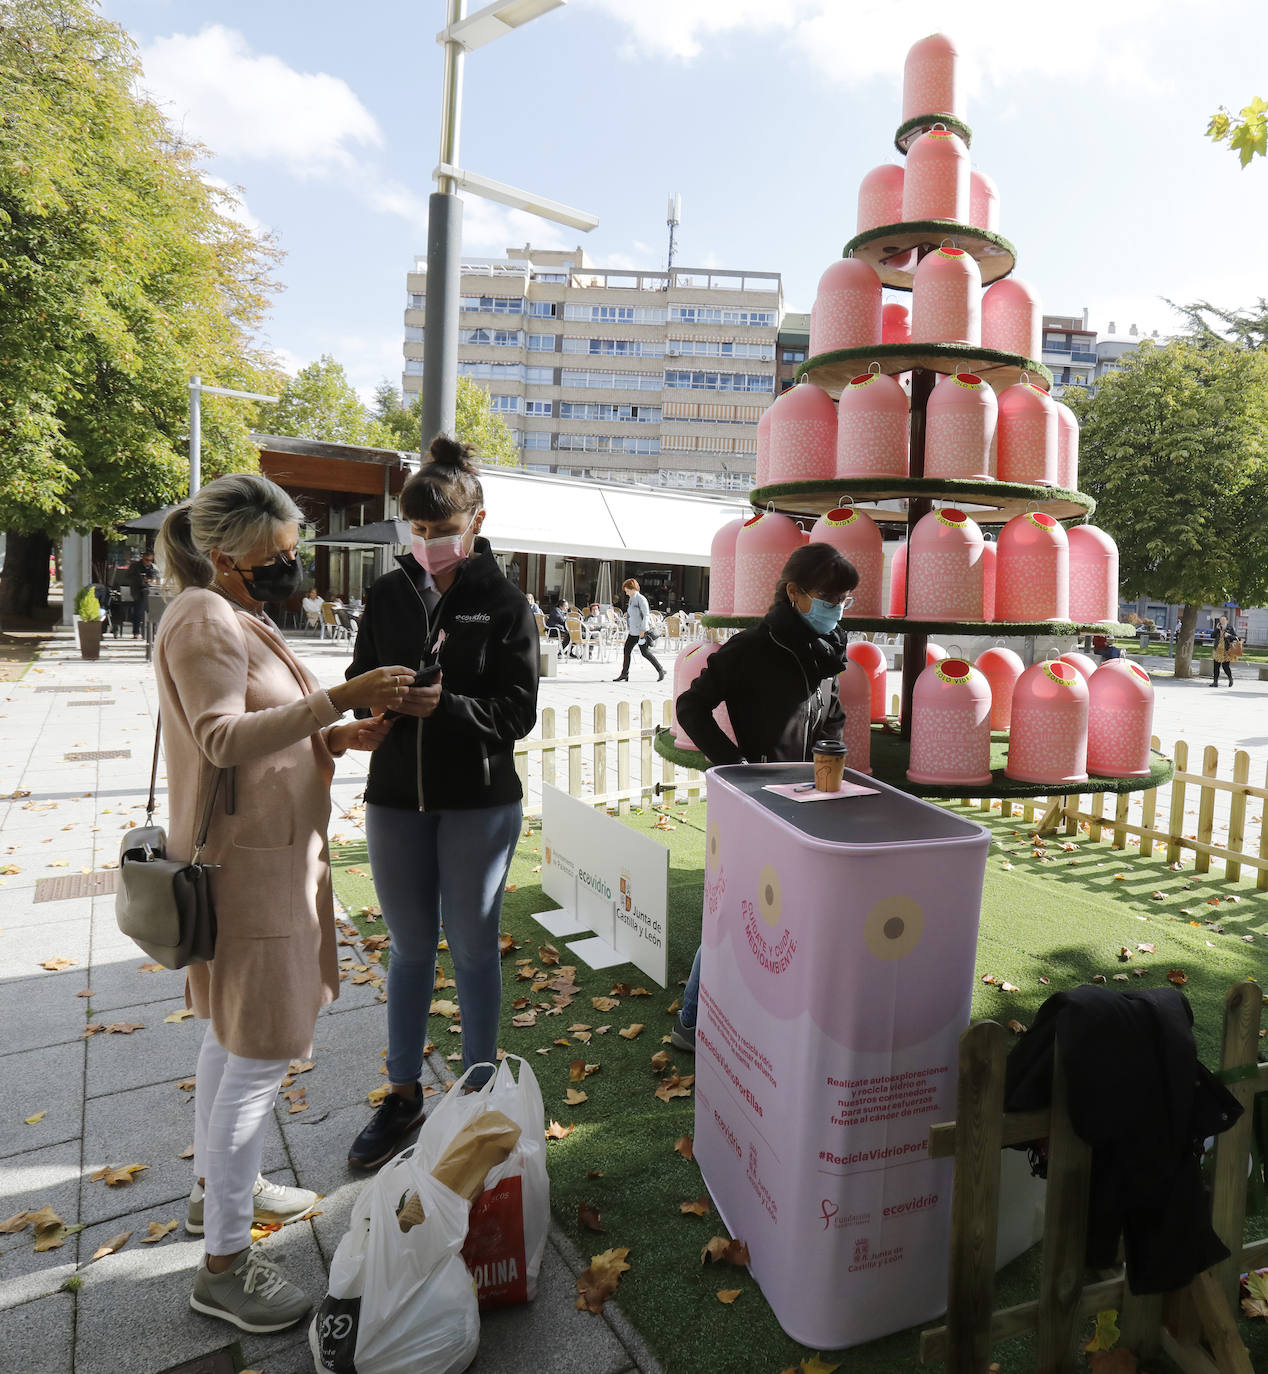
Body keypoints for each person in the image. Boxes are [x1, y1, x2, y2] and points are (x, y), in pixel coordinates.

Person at [153, 474, 414, 1333]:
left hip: (263, 860)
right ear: (227, 558)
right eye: (278, 556)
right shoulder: (203, 616)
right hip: (247, 873)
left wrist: (334, 736)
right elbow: (221, 736)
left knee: (234, 1042)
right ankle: (224, 1264)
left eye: (293, 551)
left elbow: (260, 733)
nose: (292, 566)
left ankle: (217, 1194)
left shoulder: (226, 611)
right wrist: (335, 698)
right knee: (258, 1051)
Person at [345, 435, 539, 1170]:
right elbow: (361, 673)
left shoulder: (505, 602)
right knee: (409, 950)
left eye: (441, 530)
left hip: (478, 805)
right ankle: (402, 1097)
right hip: (395, 799)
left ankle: (481, 1090)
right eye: (417, 531)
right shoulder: (388, 593)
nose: (428, 544)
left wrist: (446, 706)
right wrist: (367, 712)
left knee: (475, 947)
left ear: (476, 522)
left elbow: (516, 714)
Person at [670, 542, 858, 1051]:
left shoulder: (828, 647)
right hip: (756, 802)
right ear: (794, 593)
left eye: (845, 598)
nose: (837, 607)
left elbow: (832, 713)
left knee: (788, 912)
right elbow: (691, 708)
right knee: (735, 907)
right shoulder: (750, 647)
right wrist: (736, 768)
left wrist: (832, 760)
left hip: (812, 801)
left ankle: (770, 1013)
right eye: (828, 597)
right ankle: (690, 1020)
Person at [614, 577, 665, 682]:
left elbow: (646, 615)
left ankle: (660, 670)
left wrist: (643, 630)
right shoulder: (632, 599)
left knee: (645, 652)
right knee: (627, 650)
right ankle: (624, 674)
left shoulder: (641, 599)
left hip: (641, 631)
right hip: (633, 631)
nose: (626, 593)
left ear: (632, 588)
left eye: (627, 590)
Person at [1211, 616, 1240, 686]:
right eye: (1221, 620)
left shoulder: (1230, 628)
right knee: (1216, 666)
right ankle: (1215, 682)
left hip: (1226, 650)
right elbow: (1212, 636)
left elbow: (1236, 638)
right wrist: (1216, 629)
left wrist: (1229, 636)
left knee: (1225, 666)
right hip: (1218, 650)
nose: (1222, 621)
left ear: (1227, 621)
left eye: (1224, 620)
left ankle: (1230, 679)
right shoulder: (1218, 628)